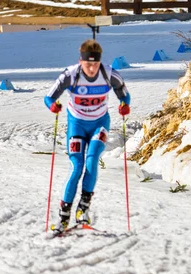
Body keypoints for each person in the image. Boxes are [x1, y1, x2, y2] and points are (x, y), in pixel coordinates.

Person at [44, 39, 131, 232]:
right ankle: (64, 216)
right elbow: (49, 97)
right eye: (88, 64)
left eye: (95, 64)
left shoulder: (109, 74)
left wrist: (125, 105)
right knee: (77, 167)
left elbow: (124, 94)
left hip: (99, 124)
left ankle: (83, 209)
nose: (92, 69)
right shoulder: (70, 75)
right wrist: (52, 105)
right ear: (80, 61)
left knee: (91, 162)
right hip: (77, 125)